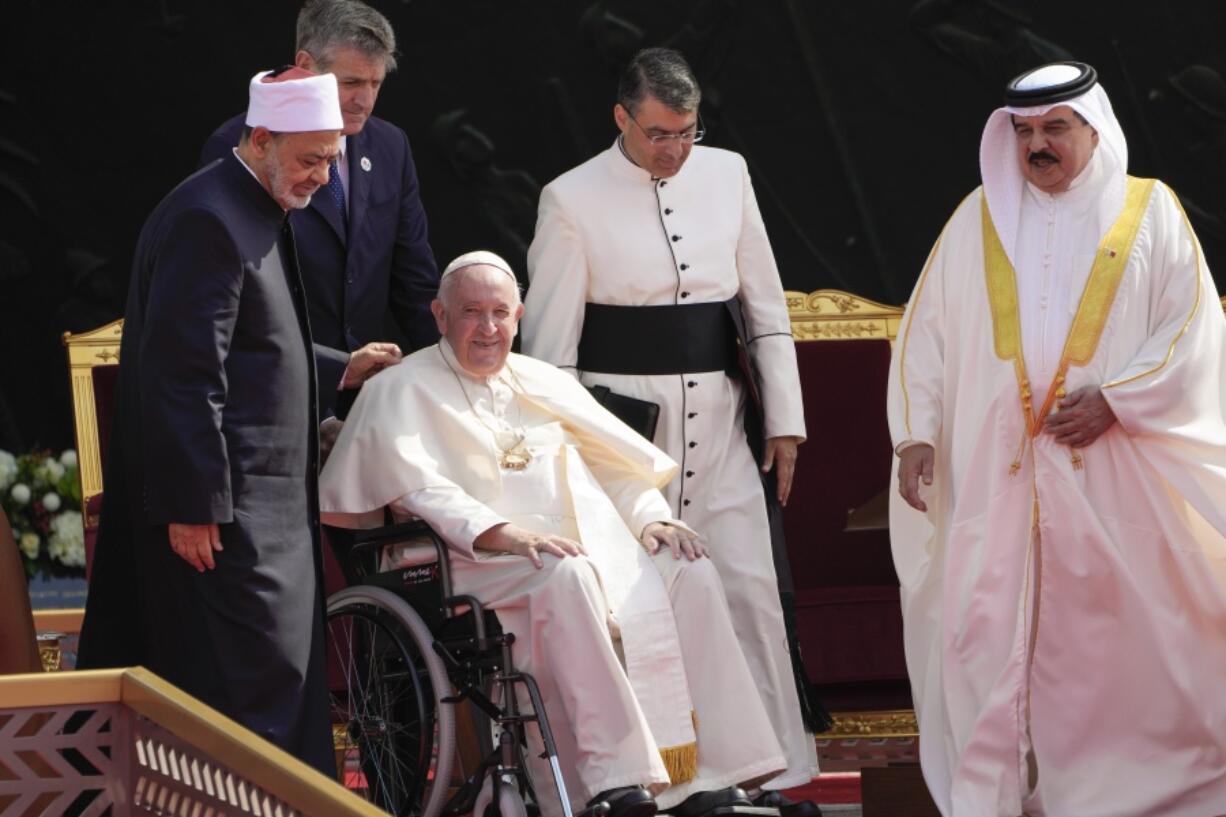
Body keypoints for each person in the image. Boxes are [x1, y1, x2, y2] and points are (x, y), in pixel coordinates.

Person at [320, 251, 789, 817]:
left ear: (519, 316)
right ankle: (612, 780)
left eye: (500, 313)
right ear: (440, 316)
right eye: (472, 312)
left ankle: (710, 776)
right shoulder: (399, 389)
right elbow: (417, 489)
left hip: (574, 550)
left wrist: (650, 517)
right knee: (565, 577)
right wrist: (504, 533)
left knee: (688, 571)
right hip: (464, 558)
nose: (489, 328)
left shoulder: (542, 380)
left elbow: (615, 467)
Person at [888, 61, 1226, 817]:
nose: (1037, 145)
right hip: (998, 481)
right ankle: (1010, 791)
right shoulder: (979, 217)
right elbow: (927, 337)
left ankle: (1132, 796)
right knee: (991, 635)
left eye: (1054, 129)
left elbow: (1194, 332)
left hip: (1114, 474)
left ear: (1092, 129)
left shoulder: (1150, 212)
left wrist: (1120, 399)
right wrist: (915, 436)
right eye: (1024, 132)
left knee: (1121, 647)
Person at [521, 47, 821, 811]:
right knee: (642, 601)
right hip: (625, 442)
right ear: (622, 117)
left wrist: (783, 420)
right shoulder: (569, 198)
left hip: (723, 426)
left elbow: (765, 306)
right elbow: (551, 353)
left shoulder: (730, 173)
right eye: (658, 133)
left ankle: (772, 771)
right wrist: (562, 464)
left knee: (749, 589)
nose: (675, 150)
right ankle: (663, 778)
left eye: (687, 132)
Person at [75, 66, 380, 775]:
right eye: (310, 160)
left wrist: (342, 365)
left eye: (331, 160)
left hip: (266, 520)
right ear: (263, 138)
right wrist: (191, 504)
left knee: (277, 693)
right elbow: (184, 374)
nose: (321, 179)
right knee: (243, 707)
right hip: (228, 525)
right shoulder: (209, 218)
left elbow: (255, 340)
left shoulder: (249, 203)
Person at [201, 0, 439, 425]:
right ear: (305, 66)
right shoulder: (244, 149)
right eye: (350, 82)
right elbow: (246, 301)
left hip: (366, 408)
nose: (364, 100)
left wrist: (459, 373)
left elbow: (415, 282)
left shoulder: (390, 147)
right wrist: (332, 369)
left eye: (375, 83)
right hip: (275, 403)